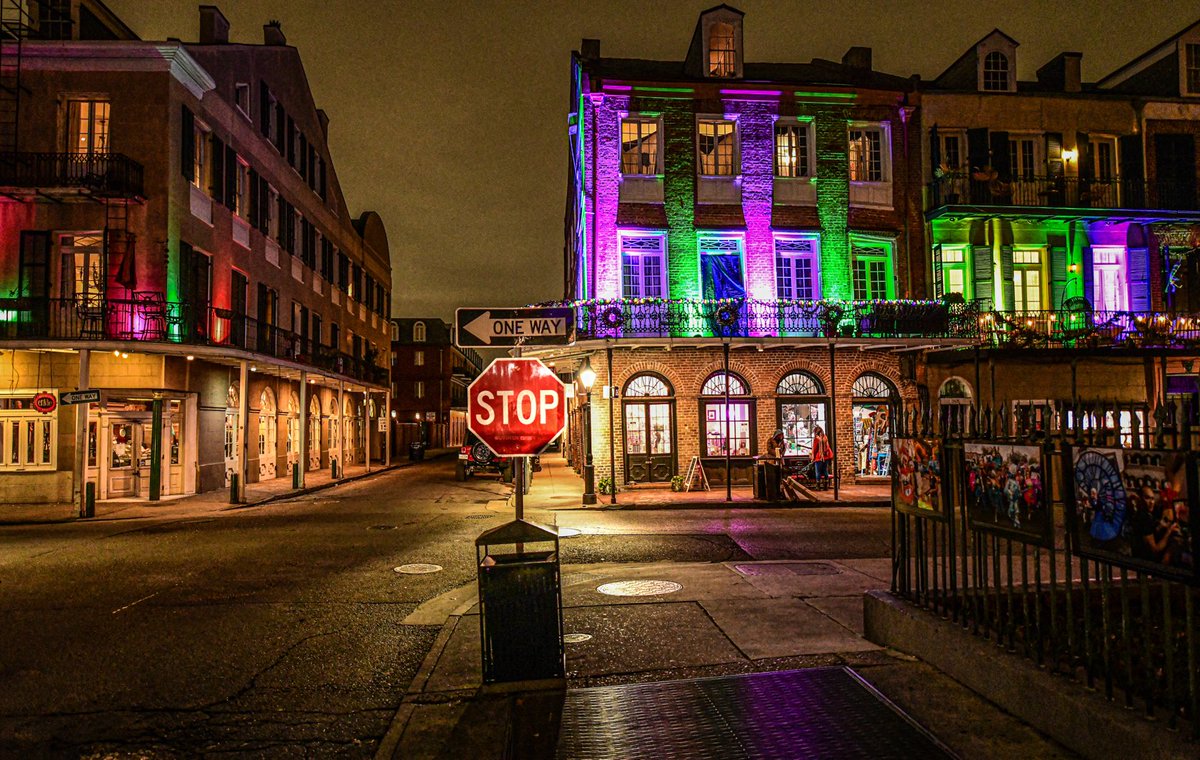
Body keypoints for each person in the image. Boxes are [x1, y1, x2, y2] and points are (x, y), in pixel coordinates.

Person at [811, 425, 833, 490]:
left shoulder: (816, 439)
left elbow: (814, 449)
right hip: (825, 457)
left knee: (818, 472)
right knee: (825, 471)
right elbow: (828, 447)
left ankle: (818, 486)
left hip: (818, 457)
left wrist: (813, 457)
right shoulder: (825, 437)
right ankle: (825, 486)